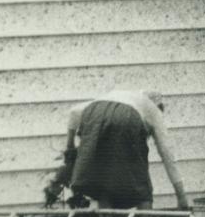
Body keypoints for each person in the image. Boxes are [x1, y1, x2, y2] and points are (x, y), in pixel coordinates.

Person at [60, 90, 189, 209]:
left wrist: (70, 146)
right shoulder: (153, 110)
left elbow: (73, 112)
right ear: (159, 107)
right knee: (141, 184)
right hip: (127, 117)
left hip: (95, 112)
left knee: (103, 180)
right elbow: (167, 154)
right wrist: (181, 197)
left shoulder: (122, 96)